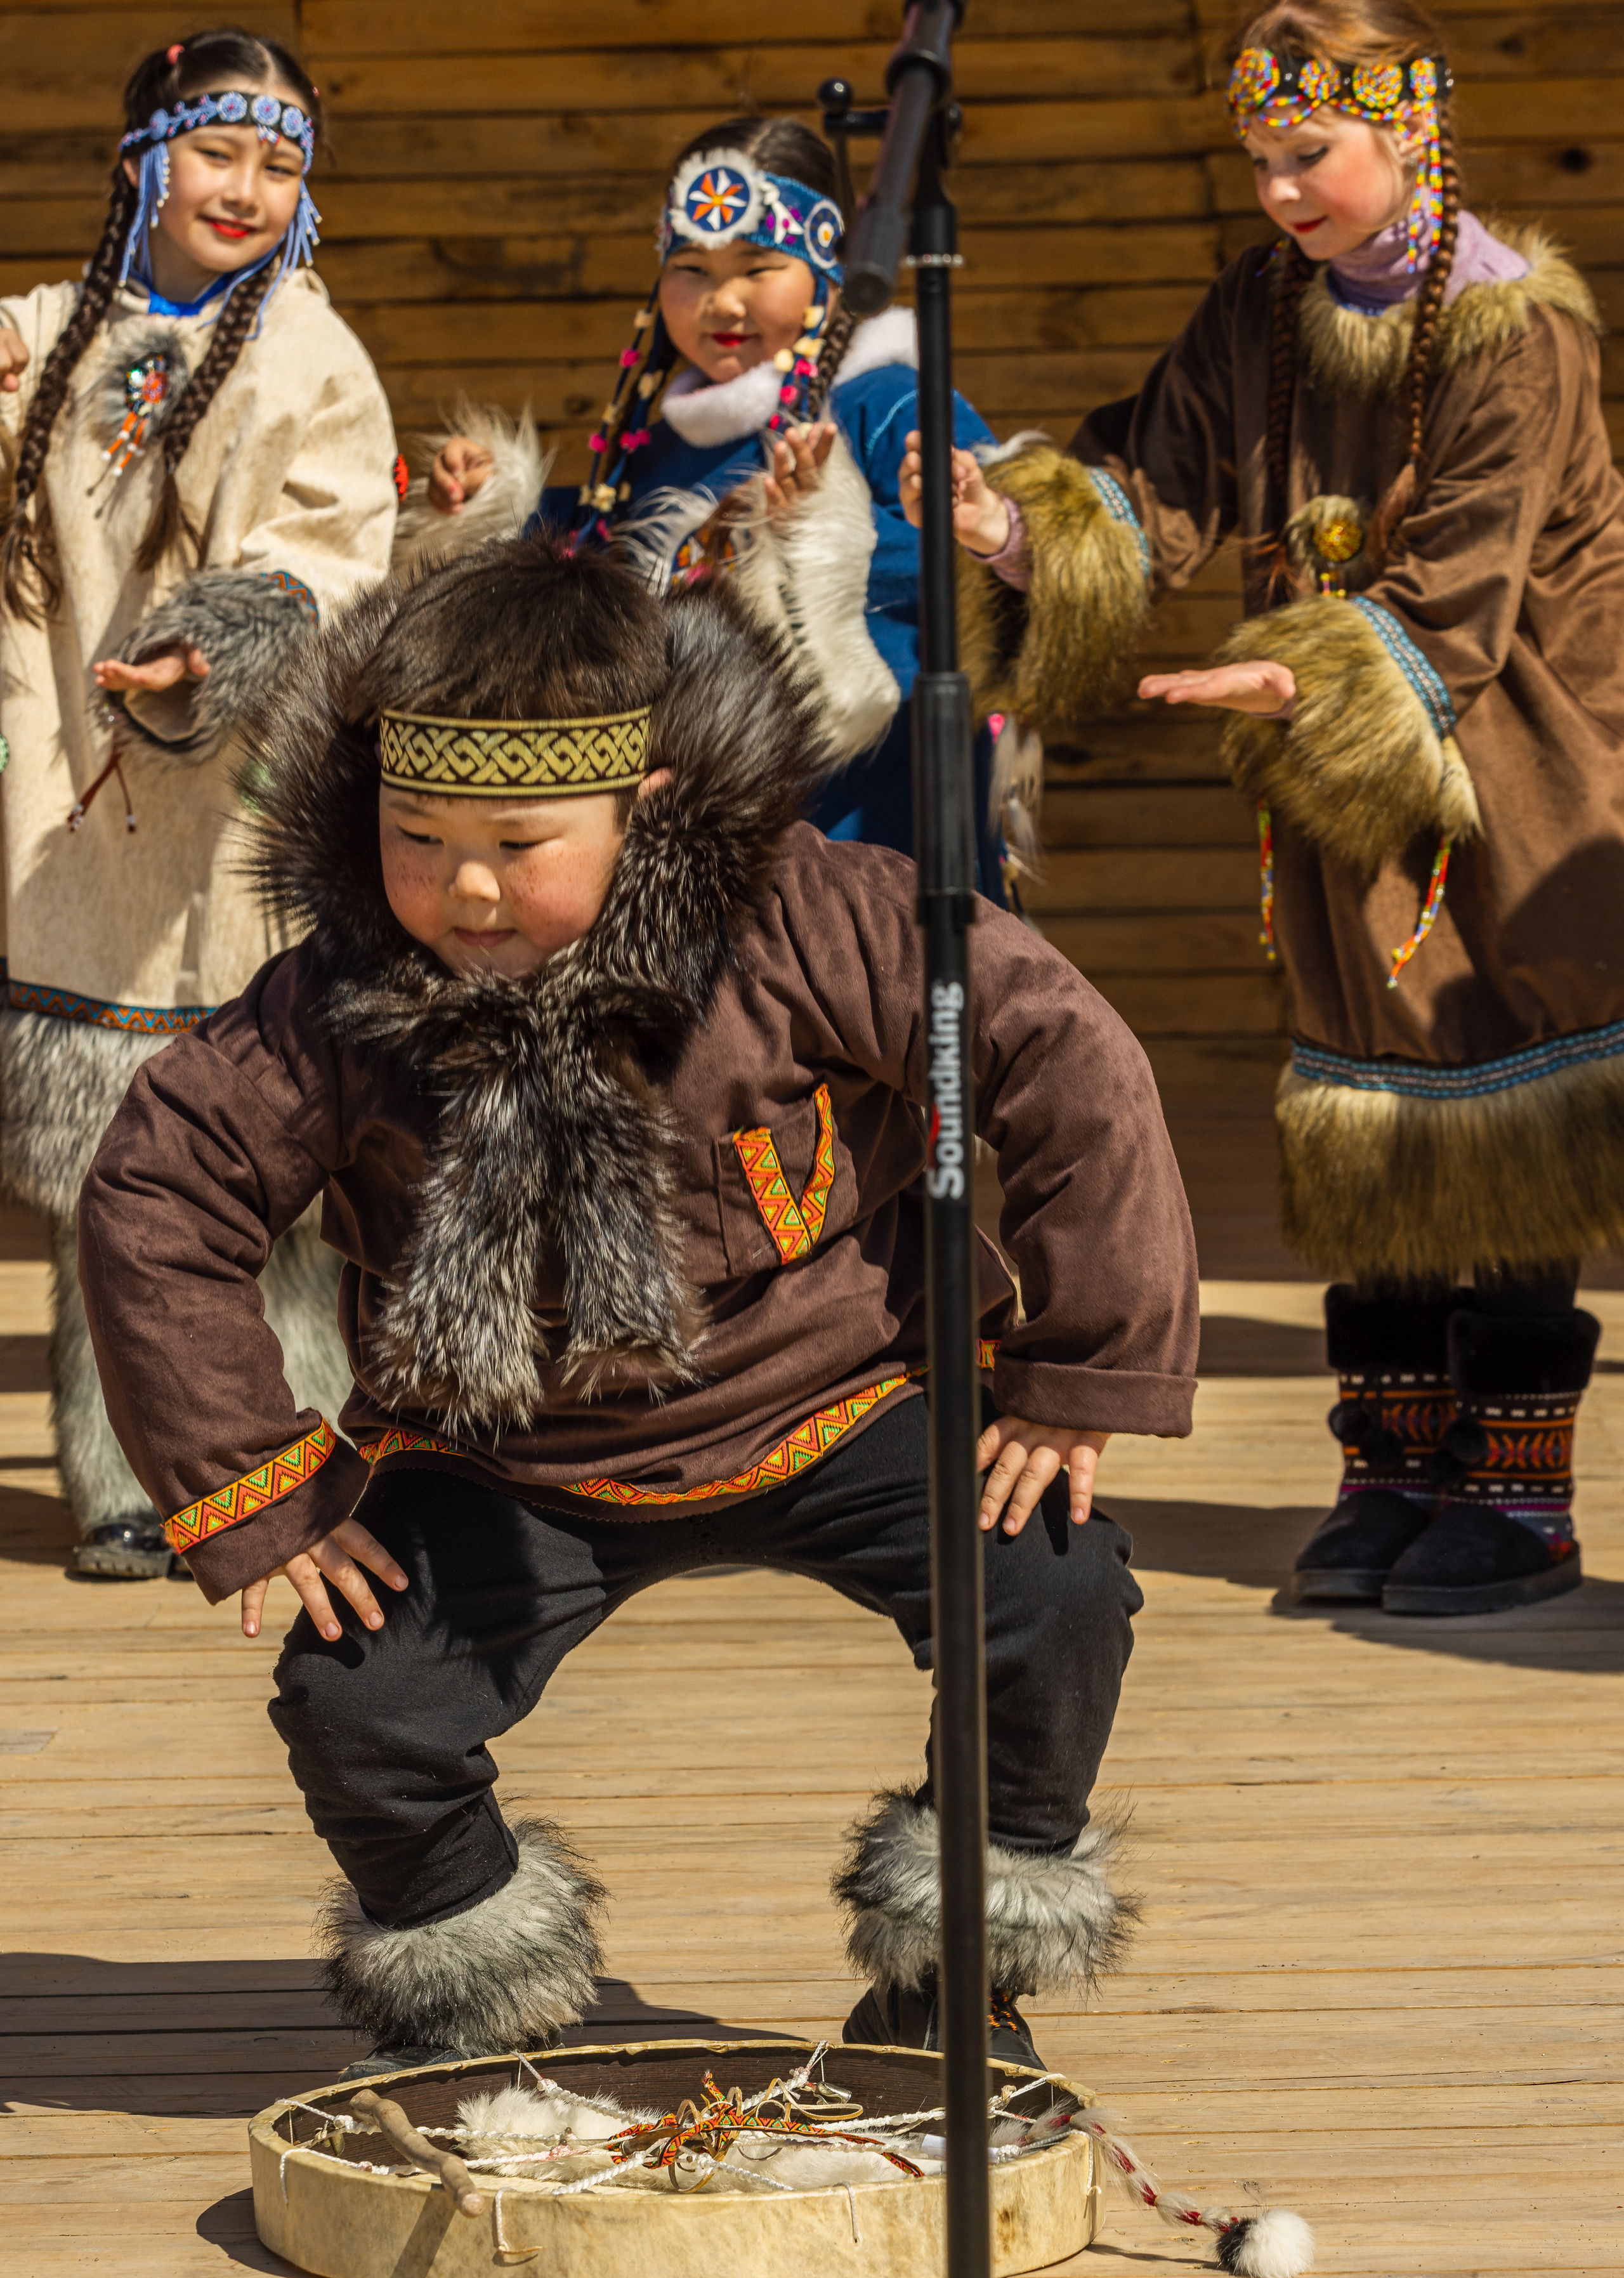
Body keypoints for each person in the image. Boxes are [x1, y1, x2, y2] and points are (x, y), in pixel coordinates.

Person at [78, 538, 1198, 2074]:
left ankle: (952, 1983)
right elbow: (159, 1191)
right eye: (417, 837)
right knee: (358, 1702)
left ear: (645, 801)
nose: (464, 888)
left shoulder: (814, 919)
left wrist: (1079, 1372)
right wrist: (257, 1486)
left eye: (516, 842)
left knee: (1053, 1593)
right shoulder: (333, 995)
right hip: (497, 1450)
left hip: (840, 1390)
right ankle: (474, 2011)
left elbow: (1064, 1057)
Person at [907, 0, 1624, 1618]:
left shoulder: (1515, 336)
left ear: (1410, 129)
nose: (1279, 190)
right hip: (1331, 760)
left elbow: (1462, 590)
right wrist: (1011, 530)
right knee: (1366, 1103)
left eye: (1307, 153)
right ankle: (1390, 1467)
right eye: (1256, 160)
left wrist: (1304, 674)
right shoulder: (1260, 306)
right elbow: (1158, 476)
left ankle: (1517, 1494)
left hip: (1507, 762)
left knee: (1503, 1108)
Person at [0, 27, 399, 1578]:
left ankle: (285, 1454)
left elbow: (335, 548)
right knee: (105, 1172)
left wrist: (218, 645)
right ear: (143, 163)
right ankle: (121, 1475)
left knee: (271, 1167)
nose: (245, 186)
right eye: (217, 151)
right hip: (76, 810)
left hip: (244, 815)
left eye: (278, 163)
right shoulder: (44, 339)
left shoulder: (309, 352)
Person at [405, 115, 1020, 901]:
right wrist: (488, 502)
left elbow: (980, 567)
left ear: (828, 272)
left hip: (874, 831)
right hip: (708, 852)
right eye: (691, 269)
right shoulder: (654, 448)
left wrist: (814, 547)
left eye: (758, 267)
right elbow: (593, 559)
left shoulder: (888, 403)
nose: (721, 301)